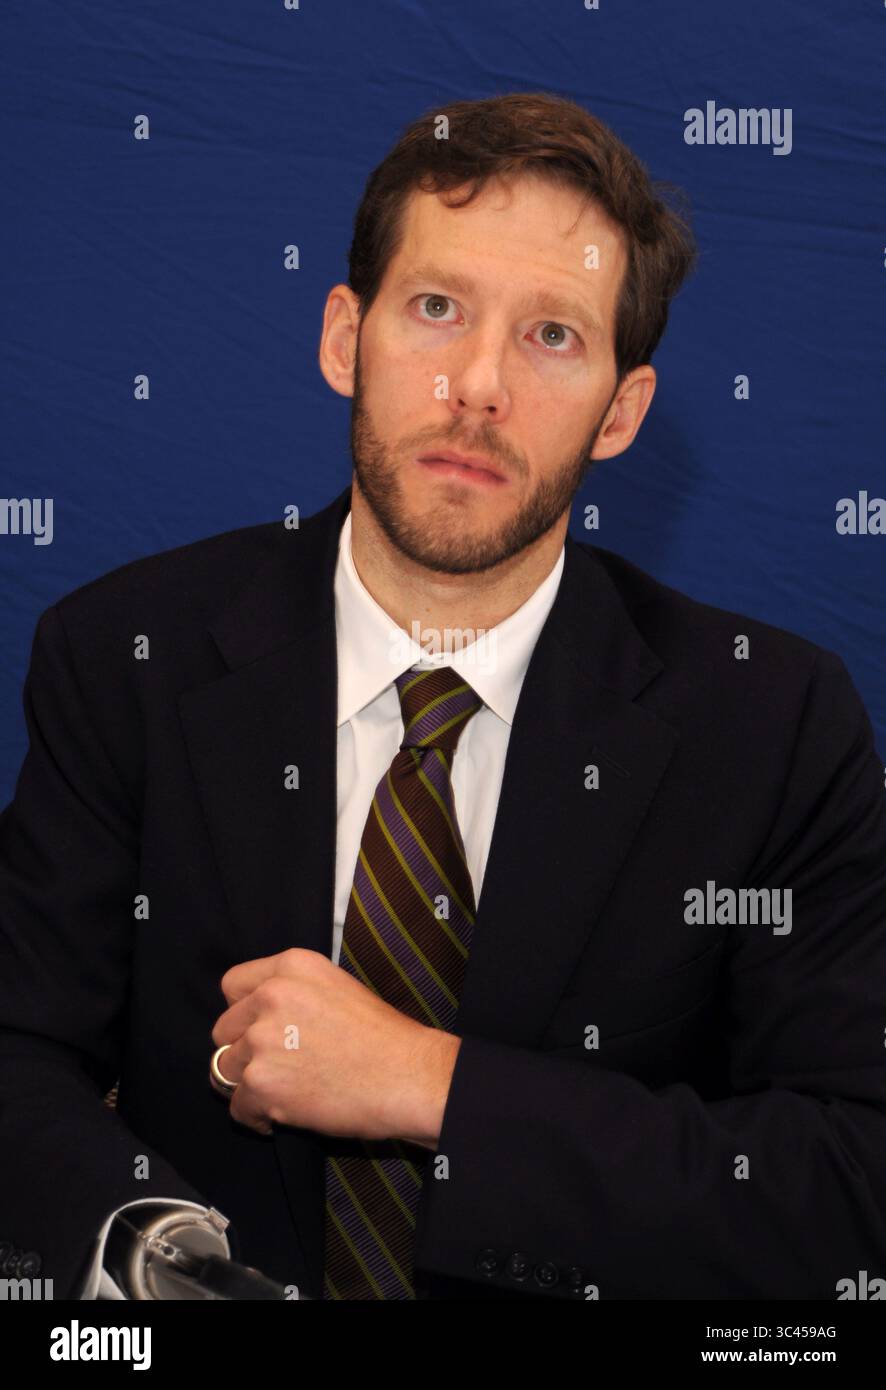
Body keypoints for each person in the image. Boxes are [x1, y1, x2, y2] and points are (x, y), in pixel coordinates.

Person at [1, 91, 885, 1302]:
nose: (477, 386)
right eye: (436, 309)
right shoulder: (123, 656)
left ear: (621, 412)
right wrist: (147, 1250)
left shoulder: (774, 725)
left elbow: (846, 1176)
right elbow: (19, 1051)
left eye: (552, 338)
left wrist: (431, 1084)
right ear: (341, 337)